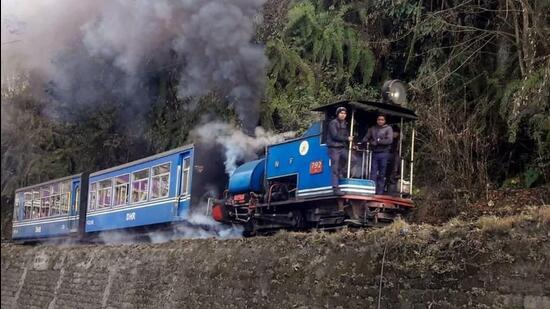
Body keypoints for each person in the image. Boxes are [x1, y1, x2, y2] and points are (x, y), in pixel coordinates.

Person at [363, 114, 393, 195]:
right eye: (379, 119)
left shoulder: (388, 128)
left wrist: (378, 142)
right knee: (373, 172)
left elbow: (389, 140)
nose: (380, 121)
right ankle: (372, 190)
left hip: (384, 153)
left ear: (385, 121)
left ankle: (380, 192)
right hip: (375, 153)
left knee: (382, 173)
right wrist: (370, 142)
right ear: (376, 120)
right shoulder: (372, 129)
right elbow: (365, 138)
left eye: (382, 119)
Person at [327, 106, 353, 195]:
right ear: (338, 114)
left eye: (344, 113)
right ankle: (335, 188)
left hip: (341, 147)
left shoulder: (345, 124)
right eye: (341, 113)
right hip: (334, 148)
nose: (343, 115)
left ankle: (342, 172)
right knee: (334, 169)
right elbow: (335, 136)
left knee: (353, 160)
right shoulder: (333, 123)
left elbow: (346, 136)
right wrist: (347, 139)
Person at [385, 125, 401, 195]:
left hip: (393, 156)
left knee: (397, 158)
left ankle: (396, 173)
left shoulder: (398, 141)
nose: (395, 134)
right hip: (386, 154)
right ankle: (395, 173)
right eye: (394, 132)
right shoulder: (388, 138)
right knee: (395, 157)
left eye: (397, 133)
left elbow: (397, 151)